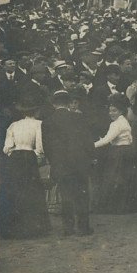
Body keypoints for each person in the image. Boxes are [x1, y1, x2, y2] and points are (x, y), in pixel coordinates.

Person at [41, 89, 95, 236]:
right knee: (82, 195)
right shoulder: (79, 118)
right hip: (80, 163)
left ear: (53, 104)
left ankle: (68, 228)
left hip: (61, 164)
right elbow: (88, 141)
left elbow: (47, 147)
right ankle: (83, 227)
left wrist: (54, 162)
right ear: (68, 103)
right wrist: (90, 157)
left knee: (66, 196)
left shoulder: (47, 122)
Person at [0, 93, 51, 238]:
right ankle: (32, 228)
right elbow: (40, 147)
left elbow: (6, 148)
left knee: (14, 190)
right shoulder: (39, 124)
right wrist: (36, 156)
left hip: (15, 158)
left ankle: (11, 228)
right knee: (31, 191)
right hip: (29, 157)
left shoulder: (14, 125)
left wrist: (15, 154)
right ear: (36, 111)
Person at [93, 94, 137, 214]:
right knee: (123, 179)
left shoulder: (116, 124)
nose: (111, 113)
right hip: (126, 151)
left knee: (114, 179)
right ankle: (123, 206)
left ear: (121, 111)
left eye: (114, 111)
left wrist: (90, 146)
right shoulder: (124, 121)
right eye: (110, 111)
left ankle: (114, 207)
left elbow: (106, 140)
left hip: (119, 153)